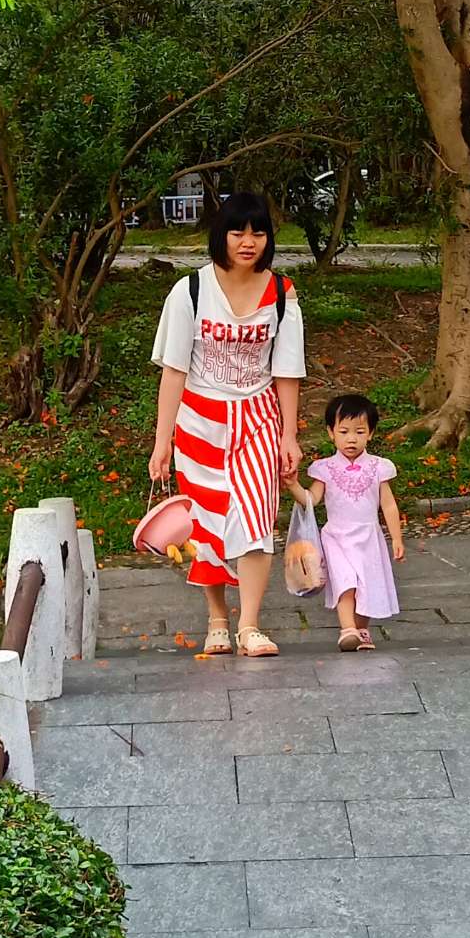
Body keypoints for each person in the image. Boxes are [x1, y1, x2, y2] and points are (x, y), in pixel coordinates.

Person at [148, 192, 305, 658]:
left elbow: (287, 371)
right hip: (198, 423)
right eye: (238, 231)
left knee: (256, 519)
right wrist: (163, 442)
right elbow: (174, 371)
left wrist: (289, 435)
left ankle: (250, 625)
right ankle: (218, 618)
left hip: (258, 418)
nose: (248, 241)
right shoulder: (190, 291)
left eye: (258, 232)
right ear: (222, 235)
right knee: (207, 527)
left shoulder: (282, 293)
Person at [299, 391, 404, 651]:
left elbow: (388, 505)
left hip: (368, 536)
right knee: (346, 581)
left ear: (370, 433)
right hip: (336, 536)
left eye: (359, 432)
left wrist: (397, 538)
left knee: (367, 584)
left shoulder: (379, 467)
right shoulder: (325, 468)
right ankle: (347, 629)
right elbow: (312, 498)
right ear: (330, 432)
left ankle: (361, 629)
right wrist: (291, 485)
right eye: (344, 431)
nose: (351, 439)